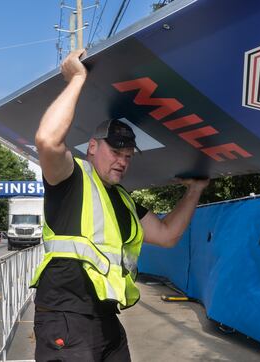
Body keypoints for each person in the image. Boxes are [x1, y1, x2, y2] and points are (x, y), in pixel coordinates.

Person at [31, 49, 209, 362]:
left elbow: (167, 235)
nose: (122, 161)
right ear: (92, 147)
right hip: (66, 317)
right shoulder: (72, 177)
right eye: (115, 152)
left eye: (128, 156)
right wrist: (77, 78)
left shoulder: (124, 200)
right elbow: (46, 140)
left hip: (106, 319)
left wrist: (194, 192)